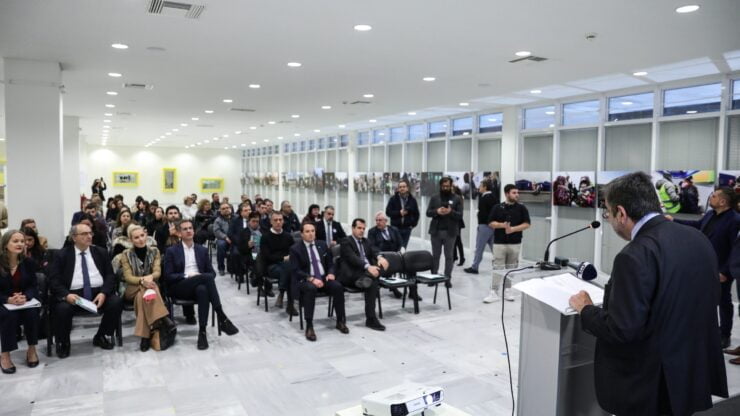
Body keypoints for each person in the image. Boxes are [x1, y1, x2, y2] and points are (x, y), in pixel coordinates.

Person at [568, 171, 728, 416]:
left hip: (649, 383)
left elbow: (621, 329)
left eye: (607, 213)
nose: (608, 220)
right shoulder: (697, 239)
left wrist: (586, 308)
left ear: (621, 213)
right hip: (688, 371)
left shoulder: (635, 254)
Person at [668, 187, 739, 348]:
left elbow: (735, 249)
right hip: (704, 265)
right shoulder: (710, 214)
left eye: (714, 195)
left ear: (723, 201)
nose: (710, 197)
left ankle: (725, 334)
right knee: (703, 299)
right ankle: (704, 331)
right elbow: (698, 225)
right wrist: (673, 221)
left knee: (723, 302)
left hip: (721, 270)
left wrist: (725, 272)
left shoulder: (734, 220)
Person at [48, 223, 124, 358]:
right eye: (84, 234)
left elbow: (110, 276)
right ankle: (64, 341)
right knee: (62, 308)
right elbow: (54, 280)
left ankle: (101, 335)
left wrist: (104, 292)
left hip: (98, 293)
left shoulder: (101, 252)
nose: (89, 236)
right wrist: (66, 295)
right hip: (73, 295)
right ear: (74, 237)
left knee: (116, 302)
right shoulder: (62, 255)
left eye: (90, 233)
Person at [163, 220, 238, 350]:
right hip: (180, 286)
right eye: (185, 229)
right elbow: (168, 276)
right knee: (206, 278)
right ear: (179, 233)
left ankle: (202, 332)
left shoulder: (202, 250)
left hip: (199, 285)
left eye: (190, 228)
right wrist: (187, 275)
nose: (188, 231)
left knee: (203, 290)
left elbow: (212, 272)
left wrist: (199, 277)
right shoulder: (171, 251)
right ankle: (222, 317)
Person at [119, 225, 176, 352]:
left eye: (142, 235)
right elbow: (128, 277)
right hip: (131, 288)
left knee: (142, 297)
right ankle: (163, 318)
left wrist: (149, 278)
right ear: (131, 240)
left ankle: (145, 336)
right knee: (150, 287)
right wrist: (142, 281)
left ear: (146, 235)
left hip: (149, 287)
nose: (140, 239)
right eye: (136, 237)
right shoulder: (126, 254)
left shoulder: (154, 251)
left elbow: (157, 272)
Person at [289, 222, 348, 341]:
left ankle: (340, 320)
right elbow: (295, 270)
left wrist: (331, 273)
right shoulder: (295, 249)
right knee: (310, 289)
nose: (311, 234)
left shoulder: (322, 244)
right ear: (302, 234)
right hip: (305, 280)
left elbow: (330, 263)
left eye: (313, 231)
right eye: (307, 231)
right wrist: (311, 279)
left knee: (337, 286)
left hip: (323, 278)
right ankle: (309, 325)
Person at [337, 218, 389, 331]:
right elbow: (353, 258)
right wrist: (368, 267)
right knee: (373, 281)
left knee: (382, 266)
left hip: (365, 274)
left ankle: (366, 279)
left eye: (363, 229)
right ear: (353, 228)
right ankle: (371, 319)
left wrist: (380, 257)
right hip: (352, 274)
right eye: (359, 228)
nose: (362, 231)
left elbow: (374, 250)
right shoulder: (346, 241)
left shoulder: (366, 241)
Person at [0, 230, 40, 373]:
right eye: (15, 241)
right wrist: (8, 299)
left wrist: (26, 297)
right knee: (8, 315)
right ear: (5, 244)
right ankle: (5, 354)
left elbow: (33, 286)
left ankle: (32, 349)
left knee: (32, 312)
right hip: (3, 302)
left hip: (23, 301)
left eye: (22, 241)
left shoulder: (28, 263)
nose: (20, 244)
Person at [483, 184, 530, 303]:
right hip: (499, 243)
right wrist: (502, 225)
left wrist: (513, 229)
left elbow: (527, 224)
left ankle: (507, 290)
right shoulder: (497, 207)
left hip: (515, 243)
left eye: (517, 192)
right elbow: (490, 223)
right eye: (514, 193)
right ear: (507, 194)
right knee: (497, 267)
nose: (517, 195)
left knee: (511, 267)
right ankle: (494, 292)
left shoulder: (522, 208)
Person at [367, 211, 415, 300]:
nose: (378, 222)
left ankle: (413, 292)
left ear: (386, 221)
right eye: (376, 220)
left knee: (411, 266)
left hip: (395, 256)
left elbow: (401, 242)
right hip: (381, 257)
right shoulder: (372, 232)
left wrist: (402, 249)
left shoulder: (394, 229)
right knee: (385, 265)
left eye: (380, 220)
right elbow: (372, 247)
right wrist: (380, 256)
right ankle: (393, 288)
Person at [426, 177, 463, 287]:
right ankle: (433, 278)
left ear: (451, 186)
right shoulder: (434, 198)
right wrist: (437, 211)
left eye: (447, 186)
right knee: (435, 256)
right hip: (436, 231)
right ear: (440, 186)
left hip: (450, 232)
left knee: (449, 256)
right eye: (443, 186)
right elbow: (428, 213)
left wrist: (450, 212)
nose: (445, 188)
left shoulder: (457, 198)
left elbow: (460, 215)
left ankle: (447, 279)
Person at [259, 212, 297, 315]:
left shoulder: (288, 236)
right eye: (275, 220)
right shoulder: (265, 237)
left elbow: (294, 251)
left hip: (286, 265)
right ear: (271, 222)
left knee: (289, 269)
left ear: (283, 221)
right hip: (271, 266)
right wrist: (283, 258)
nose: (278, 222)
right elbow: (267, 256)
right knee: (289, 271)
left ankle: (282, 293)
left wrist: (288, 258)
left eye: (280, 220)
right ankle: (289, 304)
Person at [465, 179, 498, 274]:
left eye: (480, 186)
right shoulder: (494, 197)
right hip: (493, 226)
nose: (479, 188)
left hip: (484, 226)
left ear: (485, 187)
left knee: (479, 248)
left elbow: (484, 213)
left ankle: (474, 267)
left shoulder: (484, 198)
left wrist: (480, 218)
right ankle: (500, 265)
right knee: (495, 248)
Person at [385, 179, 420, 249]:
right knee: (395, 248)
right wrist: (399, 213)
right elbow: (388, 212)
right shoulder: (393, 199)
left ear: (407, 188)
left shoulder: (412, 200)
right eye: (400, 187)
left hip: (407, 228)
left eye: (404, 187)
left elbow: (417, 214)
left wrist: (412, 225)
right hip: (395, 228)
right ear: (398, 189)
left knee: (403, 248)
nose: (402, 188)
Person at [213, 202, 233, 276]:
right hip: (223, 238)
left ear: (230, 209)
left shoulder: (236, 218)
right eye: (223, 209)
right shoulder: (218, 220)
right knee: (221, 245)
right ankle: (221, 268)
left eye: (227, 208)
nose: (226, 210)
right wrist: (225, 237)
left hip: (234, 238)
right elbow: (217, 231)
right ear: (220, 211)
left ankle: (232, 268)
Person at [451, 185, 466, 266]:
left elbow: (459, 212)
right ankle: (455, 256)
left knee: (458, 240)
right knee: (454, 240)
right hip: (453, 221)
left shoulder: (458, 199)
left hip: (457, 222)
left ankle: (462, 257)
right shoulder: (454, 198)